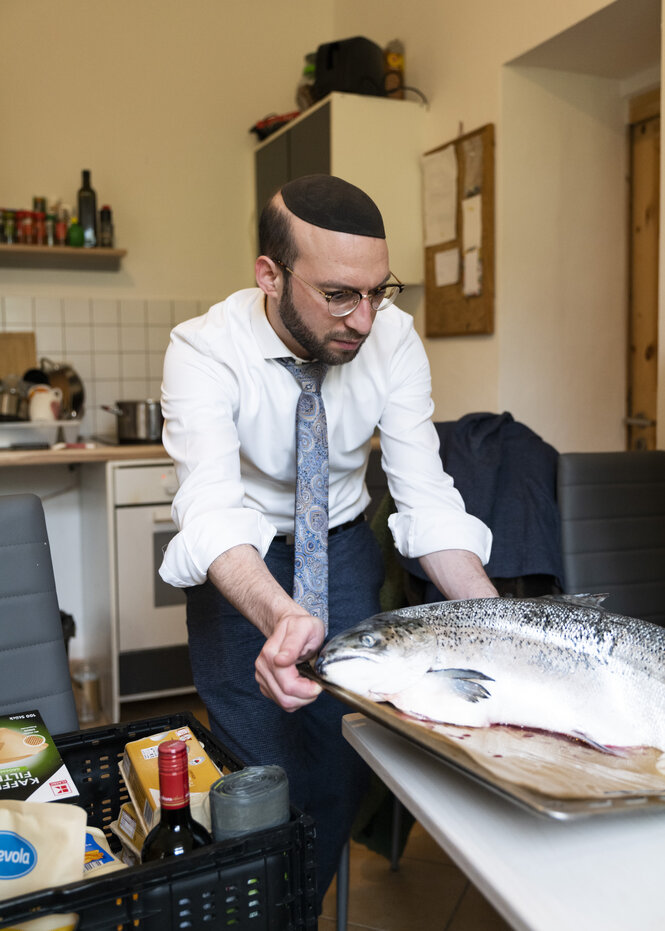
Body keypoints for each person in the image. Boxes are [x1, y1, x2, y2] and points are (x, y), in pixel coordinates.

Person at [159, 174, 498, 906]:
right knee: (260, 770)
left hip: (343, 548)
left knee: (342, 757)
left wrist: (493, 616)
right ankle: (267, 908)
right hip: (242, 561)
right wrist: (278, 615)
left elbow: (424, 495)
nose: (365, 318)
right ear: (269, 276)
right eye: (338, 294)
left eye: (379, 291)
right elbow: (211, 512)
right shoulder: (202, 349)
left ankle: (298, 908)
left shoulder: (394, 338)